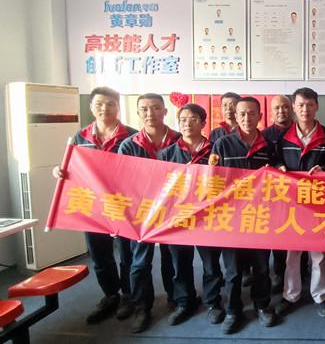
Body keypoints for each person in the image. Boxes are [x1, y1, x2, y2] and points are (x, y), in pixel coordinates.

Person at [54, 87, 137, 324]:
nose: (105, 108)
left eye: (110, 104)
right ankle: (110, 295)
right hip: (92, 206)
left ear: (118, 107)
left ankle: (128, 296)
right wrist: (59, 171)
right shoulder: (80, 137)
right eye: (99, 104)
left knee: (128, 254)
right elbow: (71, 167)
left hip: (124, 205)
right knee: (99, 254)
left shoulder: (131, 136)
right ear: (91, 107)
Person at [208, 96, 279, 333]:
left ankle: (262, 306)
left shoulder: (270, 146)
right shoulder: (222, 144)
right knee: (233, 270)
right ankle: (232, 310)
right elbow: (213, 180)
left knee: (261, 267)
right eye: (242, 114)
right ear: (235, 117)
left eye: (252, 113)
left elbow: (280, 177)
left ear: (260, 116)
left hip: (261, 216)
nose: (247, 118)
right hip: (232, 217)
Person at [118, 93, 181, 333]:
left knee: (173, 258)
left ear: (165, 111)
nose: (149, 113)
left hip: (174, 210)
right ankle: (141, 308)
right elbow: (122, 180)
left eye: (155, 108)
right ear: (138, 113)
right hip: (142, 213)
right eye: (144, 109)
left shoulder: (179, 140)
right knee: (139, 262)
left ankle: (176, 299)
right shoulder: (129, 145)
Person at [276, 87, 325, 319]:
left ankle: (320, 295)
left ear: (317, 107)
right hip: (292, 203)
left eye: (310, 105)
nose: (305, 109)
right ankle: (290, 294)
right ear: (293, 107)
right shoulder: (282, 137)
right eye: (301, 105)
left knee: (318, 253)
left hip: (318, 202)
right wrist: (280, 167)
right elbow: (275, 159)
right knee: (292, 253)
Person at [157, 104, 212, 326]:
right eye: (183, 120)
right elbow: (160, 186)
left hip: (209, 217)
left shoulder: (215, 151)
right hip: (178, 217)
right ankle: (184, 302)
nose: (187, 123)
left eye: (193, 119)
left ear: (203, 123)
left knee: (211, 264)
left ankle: (213, 302)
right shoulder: (167, 154)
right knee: (180, 263)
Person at [262, 94, 294, 293]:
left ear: (291, 109)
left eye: (285, 107)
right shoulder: (264, 136)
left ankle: (301, 273)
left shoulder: (300, 130)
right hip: (274, 195)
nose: (281, 111)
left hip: (299, 193)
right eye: (277, 108)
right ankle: (279, 274)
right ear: (271, 112)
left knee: (300, 235)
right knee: (278, 236)